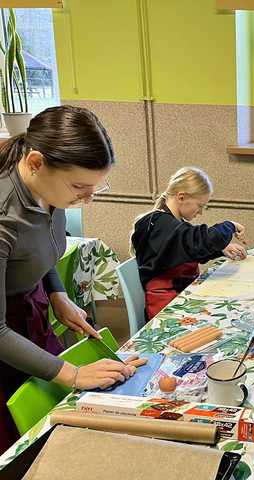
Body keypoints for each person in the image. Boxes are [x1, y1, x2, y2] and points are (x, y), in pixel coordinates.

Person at [0, 105, 135, 453]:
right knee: (19, 438)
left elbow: (38, 248)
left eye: (95, 188)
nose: (87, 199)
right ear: (35, 163)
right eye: (80, 187)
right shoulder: (3, 216)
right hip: (5, 335)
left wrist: (57, 293)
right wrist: (73, 373)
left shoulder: (48, 191)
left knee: (56, 412)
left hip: (28, 315)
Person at [131, 167, 246, 320]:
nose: (200, 212)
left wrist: (221, 249)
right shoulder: (162, 225)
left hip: (180, 297)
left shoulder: (172, 224)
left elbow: (189, 250)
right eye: (200, 205)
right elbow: (201, 240)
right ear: (181, 197)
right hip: (166, 308)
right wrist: (229, 225)